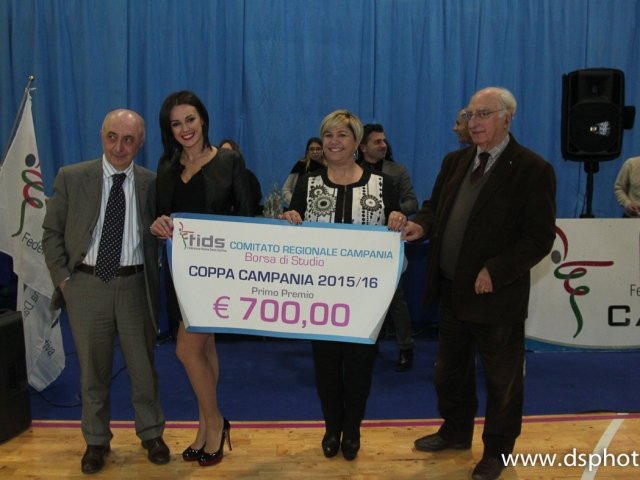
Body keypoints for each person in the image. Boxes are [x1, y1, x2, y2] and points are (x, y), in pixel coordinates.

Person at [403, 87, 556, 480]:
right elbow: (434, 207)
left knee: (503, 382)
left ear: (507, 117)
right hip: (452, 291)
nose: (474, 122)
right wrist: (422, 225)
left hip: (497, 297)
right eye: (470, 114)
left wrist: (497, 270)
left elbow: (539, 238)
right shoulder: (455, 161)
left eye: (483, 114)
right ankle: (455, 431)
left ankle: (497, 451)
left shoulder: (533, 169)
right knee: (448, 372)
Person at [42, 110, 169, 474]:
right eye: (112, 137)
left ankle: (151, 433)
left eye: (128, 140)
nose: (119, 147)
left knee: (143, 369)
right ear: (101, 136)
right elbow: (51, 233)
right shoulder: (72, 177)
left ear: (140, 143)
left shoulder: (152, 183)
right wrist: (65, 283)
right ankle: (96, 441)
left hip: (135, 286)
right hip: (85, 286)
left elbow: (166, 231)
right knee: (92, 371)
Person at [280, 109, 407, 461]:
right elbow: (292, 229)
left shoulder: (383, 184)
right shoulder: (308, 183)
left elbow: (396, 226)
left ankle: (353, 430)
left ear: (357, 142)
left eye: (342, 135)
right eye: (328, 135)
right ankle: (331, 428)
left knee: (360, 365)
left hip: (366, 297)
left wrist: (398, 218)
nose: (334, 142)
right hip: (319, 295)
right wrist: (288, 218)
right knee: (325, 366)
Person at [151, 91, 253, 467]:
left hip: (217, 273)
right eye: (176, 123)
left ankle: (216, 422)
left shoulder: (229, 160)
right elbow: (161, 216)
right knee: (204, 347)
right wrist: (158, 225)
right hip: (180, 272)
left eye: (190, 119)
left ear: (203, 119)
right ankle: (204, 427)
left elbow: (246, 217)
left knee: (186, 350)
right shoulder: (166, 164)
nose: (185, 129)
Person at [356, 123, 418, 371]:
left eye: (384, 141)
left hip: (388, 241)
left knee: (395, 297)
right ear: (363, 147)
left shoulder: (397, 170)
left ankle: (406, 348)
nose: (383, 145)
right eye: (377, 141)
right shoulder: (352, 170)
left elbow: (412, 202)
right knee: (361, 295)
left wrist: (393, 212)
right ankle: (367, 343)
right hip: (359, 244)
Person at [218, 138, 262, 215]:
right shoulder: (215, 176)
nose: (225, 154)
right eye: (222, 151)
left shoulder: (248, 175)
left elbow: (256, 196)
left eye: (228, 151)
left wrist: (237, 207)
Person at [281, 137, 326, 205]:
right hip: (303, 208)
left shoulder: (329, 167)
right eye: (312, 149)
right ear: (307, 151)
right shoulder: (301, 166)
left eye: (318, 149)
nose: (315, 152)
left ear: (323, 150)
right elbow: (286, 189)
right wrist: (295, 203)